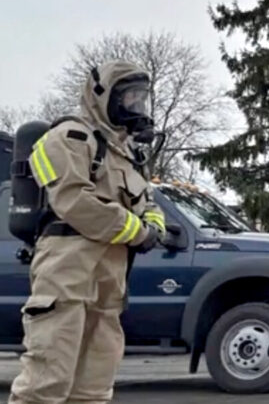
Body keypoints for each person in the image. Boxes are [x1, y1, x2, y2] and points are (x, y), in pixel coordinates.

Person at [9, 61, 166, 404]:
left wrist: (154, 225)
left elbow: (148, 204)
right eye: (130, 98)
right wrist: (138, 232)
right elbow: (74, 202)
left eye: (142, 98)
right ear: (105, 97)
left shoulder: (128, 156)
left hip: (108, 286)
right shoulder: (69, 137)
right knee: (46, 383)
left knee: (93, 390)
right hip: (66, 274)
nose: (138, 107)